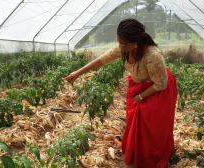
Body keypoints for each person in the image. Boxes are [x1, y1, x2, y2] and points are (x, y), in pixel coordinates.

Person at [63, 18, 178, 168]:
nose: (120, 46)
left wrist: (141, 96)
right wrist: (78, 72)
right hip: (139, 88)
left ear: (135, 42)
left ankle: (152, 159)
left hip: (157, 91)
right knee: (136, 123)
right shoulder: (124, 48)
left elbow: (161, 84)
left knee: (152, 127)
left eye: (123, 43)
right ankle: (137, 153)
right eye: (119, 42)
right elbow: (103, 59)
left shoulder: (152, 55)